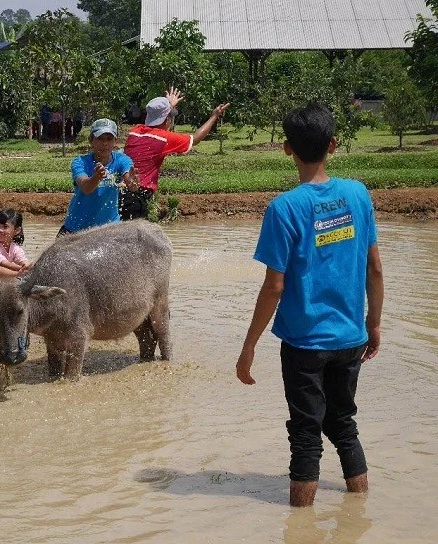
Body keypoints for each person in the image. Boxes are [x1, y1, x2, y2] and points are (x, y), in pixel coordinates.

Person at [235, 103, 384, 507]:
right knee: (343, 424)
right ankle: (359, 506)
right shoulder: (358, 194)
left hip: (304, 343)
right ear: (333, 145)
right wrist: (373, 324)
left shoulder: (284, 208)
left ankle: (299, 533)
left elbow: (274, 288)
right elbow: (374, 268)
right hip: (350, 337)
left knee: (305, 433)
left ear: (286, 149)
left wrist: (249, 345)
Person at [123, 88, 229, 220]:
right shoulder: (164, 138)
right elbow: (195, 138)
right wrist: (214, 116)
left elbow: (159, 119)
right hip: (137, 195)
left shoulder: (135, 131)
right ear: (167, 120)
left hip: (123, 190)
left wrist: (168, 105)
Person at [59, 118, 140, 235]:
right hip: (76, 228)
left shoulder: (122, 160)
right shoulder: (80, 162)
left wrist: (133, 183)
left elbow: (131, 183)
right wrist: (97, 177)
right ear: (91, 140)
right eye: (100, 138)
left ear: (115, 141)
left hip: (109, 229)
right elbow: (86, 188)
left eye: (109, 139)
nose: (105, 143)